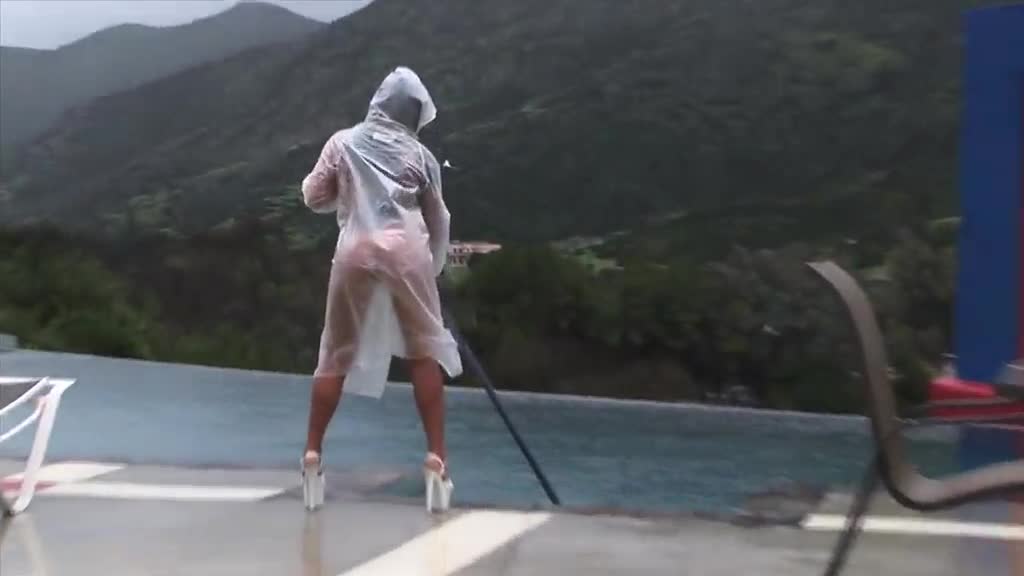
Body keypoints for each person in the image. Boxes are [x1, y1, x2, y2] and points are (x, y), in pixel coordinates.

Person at [299, 67, 462, 513]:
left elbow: (314, 195)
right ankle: (436, 459)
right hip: (407, 252)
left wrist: (349, 192)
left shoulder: (343, 142)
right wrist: (433, 267)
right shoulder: (423, 158)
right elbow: (439, 219)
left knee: (334, 352)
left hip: (355, 249)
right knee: (423, 352)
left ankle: (312, 454)